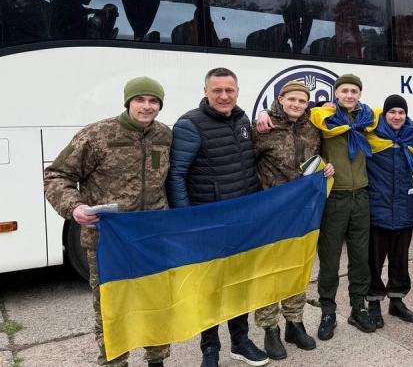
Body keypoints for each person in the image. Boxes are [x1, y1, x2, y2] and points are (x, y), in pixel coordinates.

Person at [44, 77, 171, 367]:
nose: (147, 106)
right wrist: (74, 208)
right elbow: (56, 176)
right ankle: (115, 362)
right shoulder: (97, 135)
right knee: (112, 308)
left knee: (157, 304)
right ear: (128, 102)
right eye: (140, 100)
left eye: (153, 101)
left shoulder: (165, 135)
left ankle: (157, 360)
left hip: (151, 238)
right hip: (106, 241)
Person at [166, 67, 268, 367]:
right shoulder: (189, 124)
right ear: (206, 92)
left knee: (239, 284)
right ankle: (210, 348)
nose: (224, 96)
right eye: (217, 91)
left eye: (229, 90)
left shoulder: (243, 120)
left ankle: (240, 341)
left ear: (237, 91)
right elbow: (176, 176)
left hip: (242, 221)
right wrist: (187, 221)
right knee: (208, 289)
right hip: (207, 224)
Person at [251, 81, 333, 360]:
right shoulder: (263, 127)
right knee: (269, 271)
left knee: (298, 267)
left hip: (302, 211)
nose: (297, 104)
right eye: (292, 99)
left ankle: (294, 323)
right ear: (281, 99)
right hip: (270, 213)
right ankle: (269, 328)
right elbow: (246, 163)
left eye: (302, 100)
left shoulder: (312, 125)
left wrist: (326, 165)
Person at [308, 74, 379, 340]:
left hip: (360, 196)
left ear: (359, 94)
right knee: (329, 259)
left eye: (354, 91)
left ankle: (358, 307)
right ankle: (328, 311)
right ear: (336, 94)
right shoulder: (323, 118)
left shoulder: (367, 119)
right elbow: (296, 116)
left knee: (360, 258)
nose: (349, 95)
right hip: (334, 198)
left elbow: (397, 118)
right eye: (344, 91)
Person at [364, 95, 413, 326]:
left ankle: (397, 302)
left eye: (401, 112)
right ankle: (374, 303)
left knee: (400, 261)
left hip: (405, 210)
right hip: (379, 210)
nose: (397, 116)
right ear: (384, 115)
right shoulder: (371, 136)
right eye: (392, 112)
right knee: (374, 262)